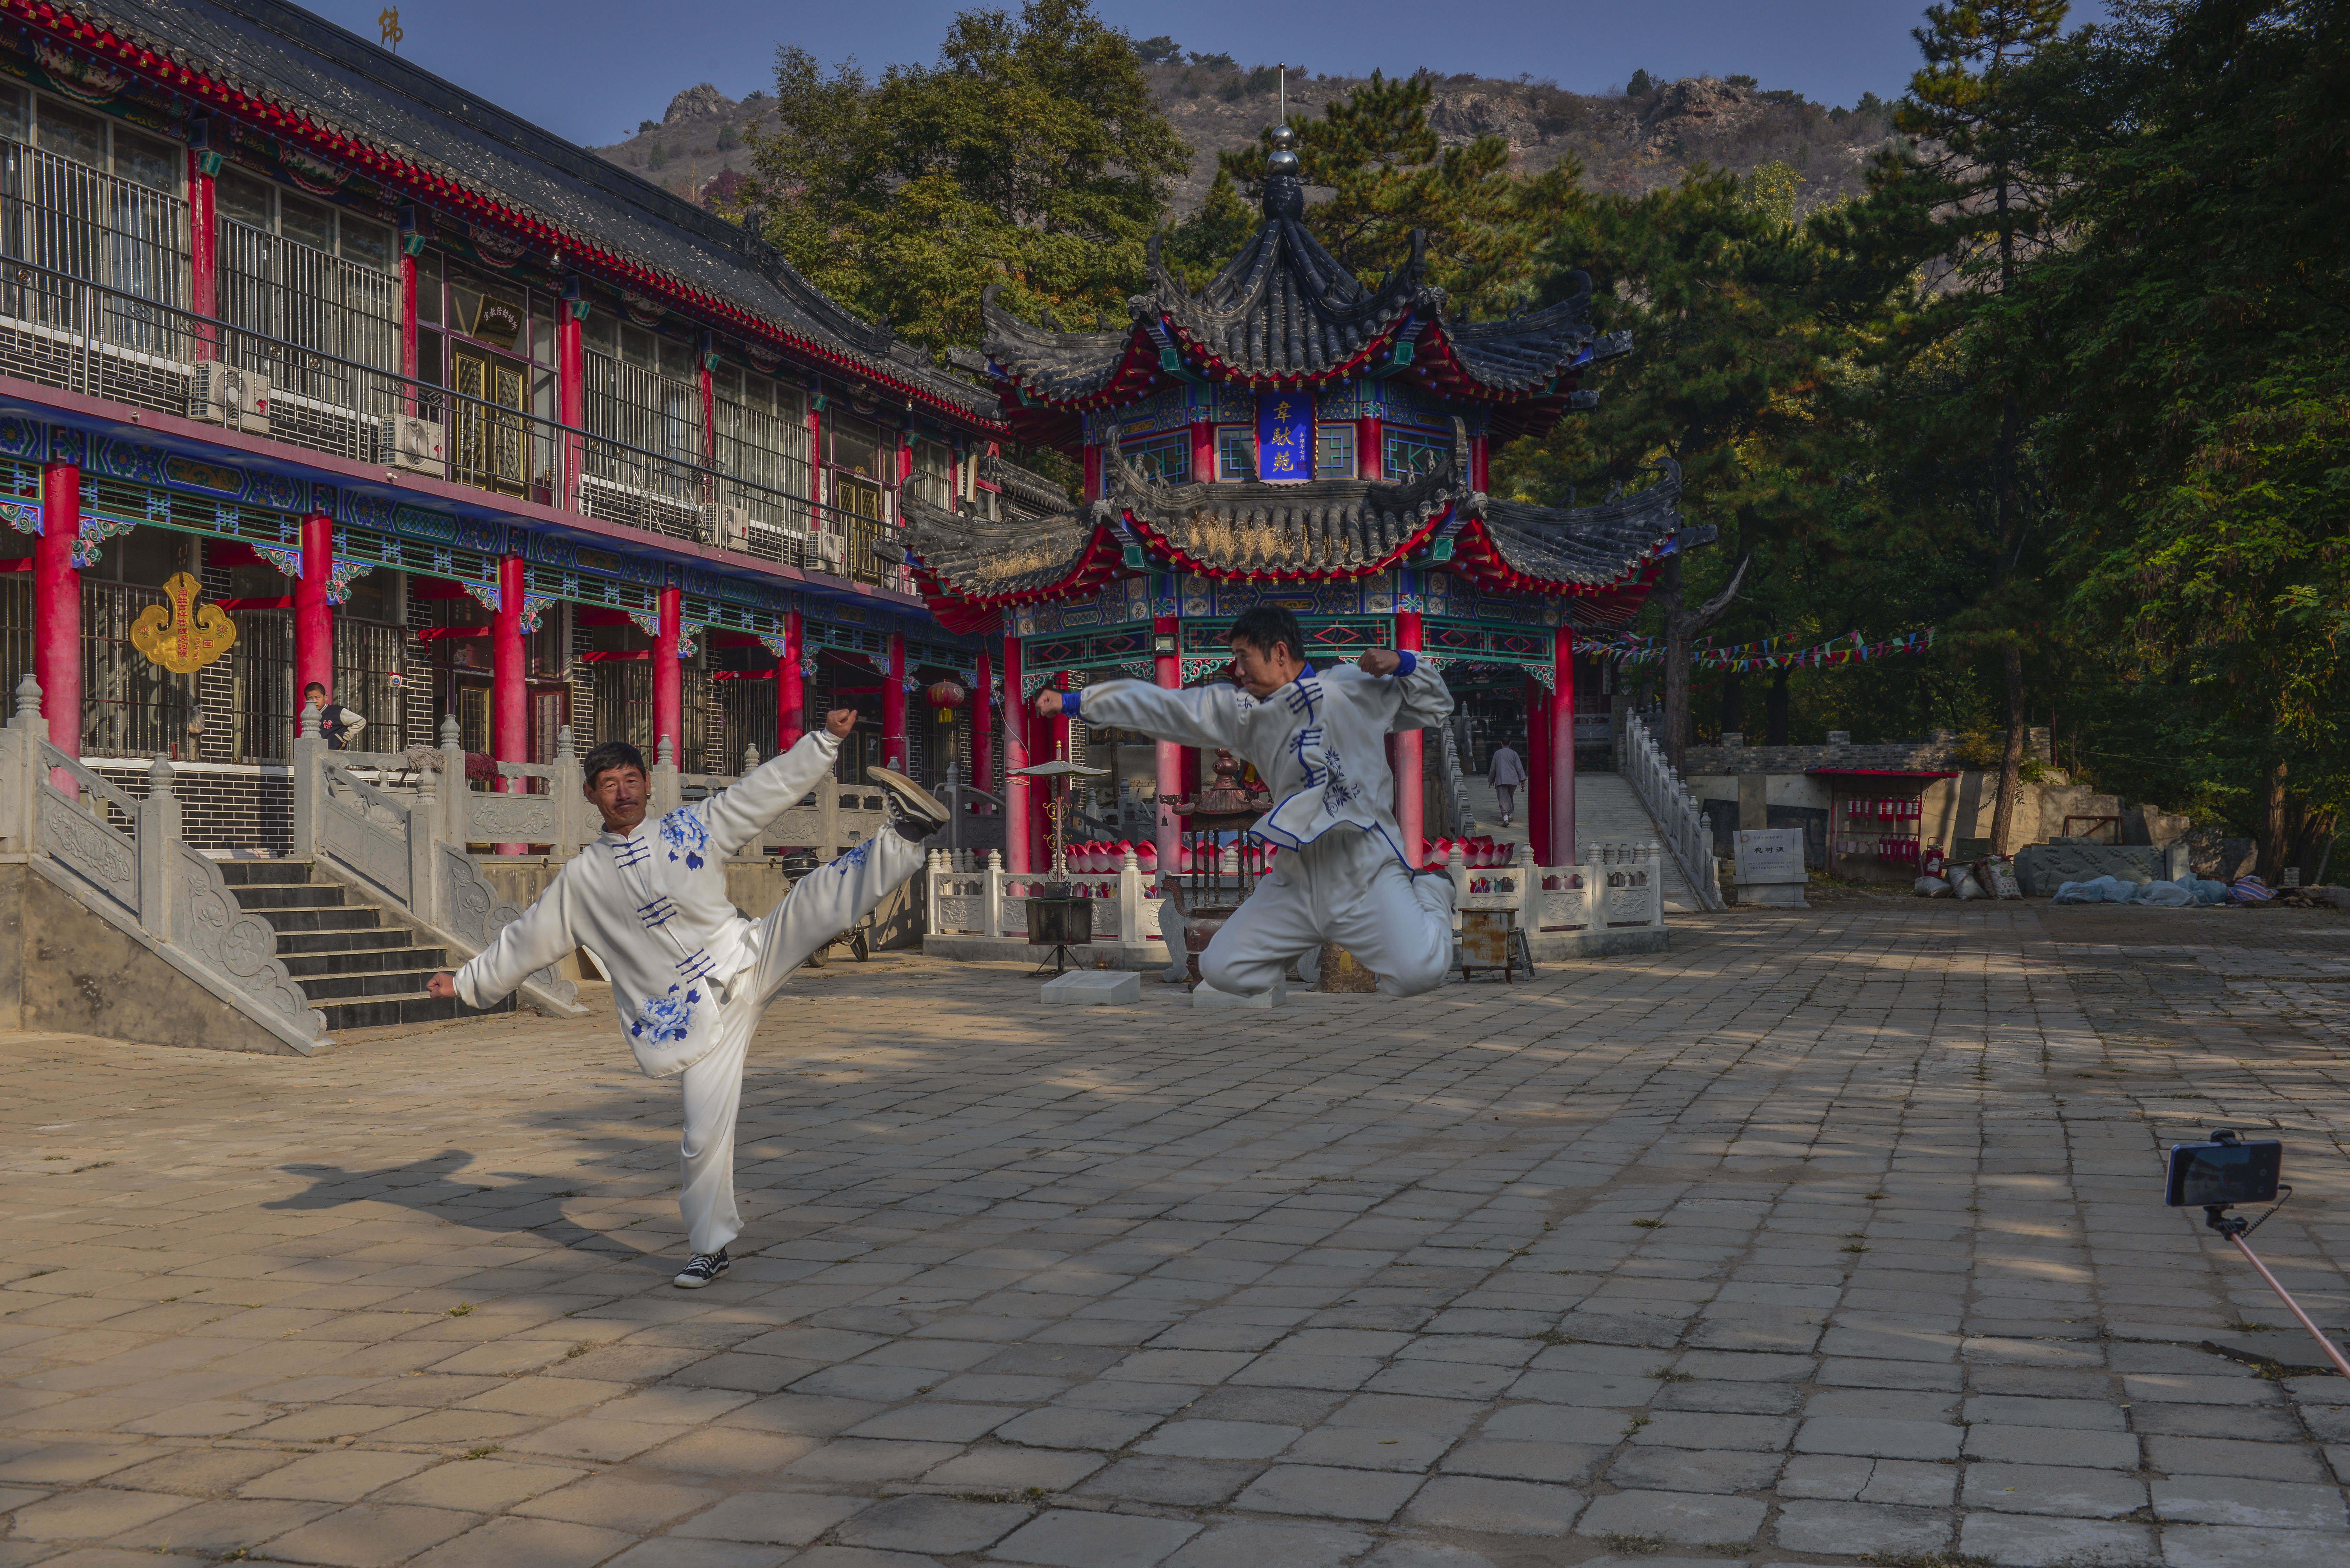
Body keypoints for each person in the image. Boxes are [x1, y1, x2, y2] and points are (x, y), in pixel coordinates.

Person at [423, 714, 947, 1288]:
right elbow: (526, 939)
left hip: (747, 955)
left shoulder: (691, 828)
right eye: (609, 784)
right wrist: (469, 982)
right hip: (695, 1021)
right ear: (591, 796)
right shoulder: (580, 881)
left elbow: (760, 792)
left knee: (814, 900)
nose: (623, 793)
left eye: (631, 780)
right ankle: (710, 1246)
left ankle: (906, 836)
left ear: (649, 784)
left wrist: (825, 742)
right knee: (702, 1134)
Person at [1035, 605, 1455, 998]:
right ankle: (1299, 942)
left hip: (1363, 866)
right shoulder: (1247, 716)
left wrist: (1405, 662)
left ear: (1279, 652)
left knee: (1422, 973)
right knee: (1223, 970)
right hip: (1297, 874)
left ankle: (1431, 890)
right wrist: (1075, 702)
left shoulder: (1352, 688)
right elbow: (1164, 707)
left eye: (1243, 656)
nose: (1237, 670)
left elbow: (1438, 704)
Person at [303, 682, 366, 751]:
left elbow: (361, 721)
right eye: (310, 699)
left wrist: (346, 738)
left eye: (318, 698)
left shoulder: (337, 711)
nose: (315, 701)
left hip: (334, 753)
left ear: (325, 697)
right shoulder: (308, 716)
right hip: (314, 752)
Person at [1487, 739, 1526, 827]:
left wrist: (1491, 780)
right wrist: (1522, 780)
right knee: (1510, 797)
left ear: (1501, 743)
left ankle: (1505, 818)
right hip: (1513, 779)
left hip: (1502, 778)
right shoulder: (1514, 754)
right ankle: (1510, 815)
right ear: (1510, 743)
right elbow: (1519, 767)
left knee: (1503, 798)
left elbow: (1493, 768)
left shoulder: (1497, 754)